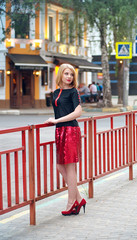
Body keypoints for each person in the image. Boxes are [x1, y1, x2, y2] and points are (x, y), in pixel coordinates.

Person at [44, 64, 86, 216]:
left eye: (72, 74)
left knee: (69, 167)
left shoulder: (73, 92)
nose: (69, 77)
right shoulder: (55, 92)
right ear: (60, 74)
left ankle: (71, 203)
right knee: (60, 167)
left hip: (70, 131)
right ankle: (79, 199)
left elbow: (78, 112)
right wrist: (56, 123)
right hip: (60, 131)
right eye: (66, 74)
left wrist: (57, 120)